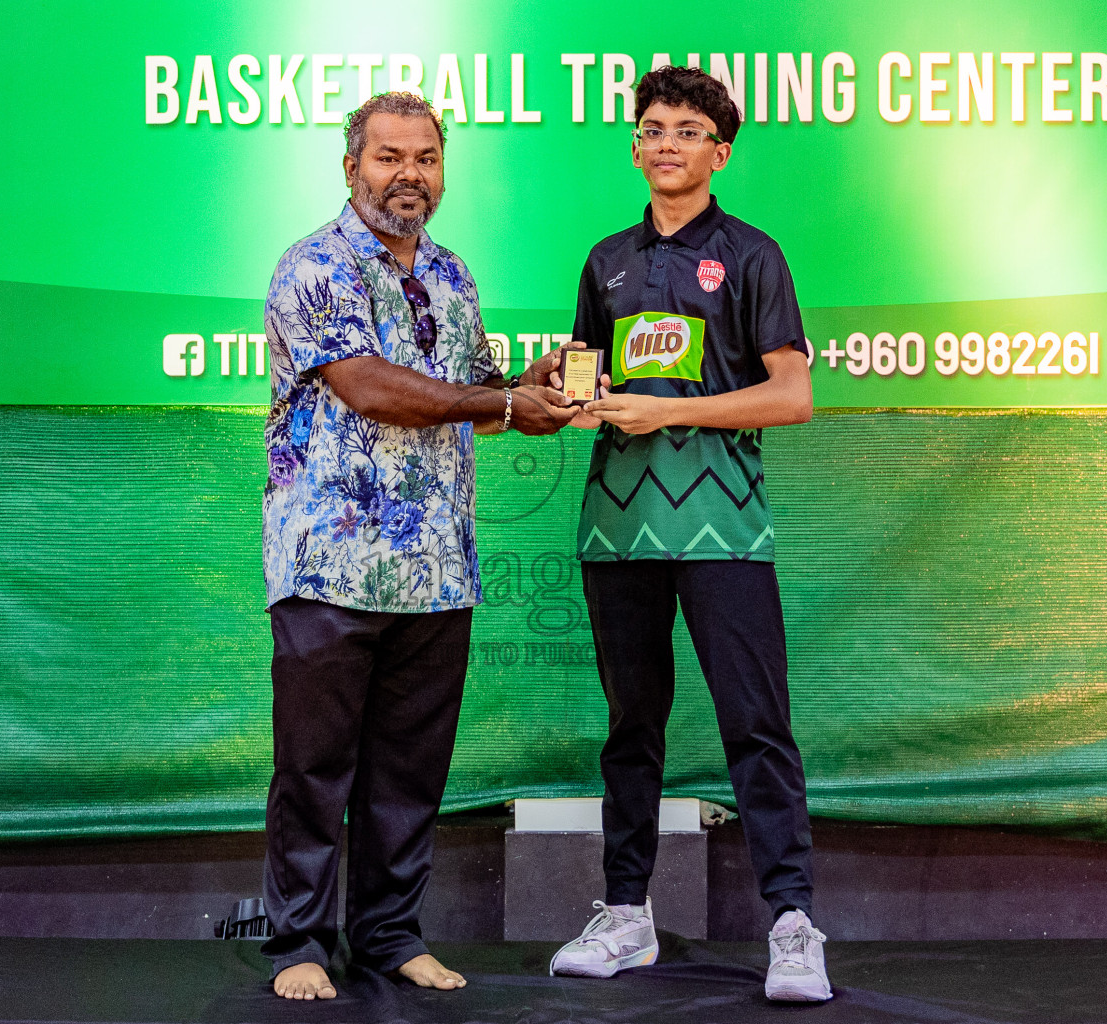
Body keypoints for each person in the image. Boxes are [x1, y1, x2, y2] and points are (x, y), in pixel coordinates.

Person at [259, 91, 576, 1000]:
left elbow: (473, 391)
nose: (409, 175)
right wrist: (499, 402)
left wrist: (532, 388)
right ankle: (300, 948)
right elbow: (371, 388)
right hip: (327, 566)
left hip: (437, 572)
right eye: (390, 157)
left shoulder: (454, 275)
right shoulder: (312, 266)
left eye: (426, 158)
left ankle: (392, 935)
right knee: (316, 772)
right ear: (352, 166)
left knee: (409, 774)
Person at [545, 67, 830, 1002]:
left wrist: (677, 414)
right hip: (619, 527)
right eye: (652, 128)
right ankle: (627, 915)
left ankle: (792, 924)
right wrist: (566, 393)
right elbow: (586, 381)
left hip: (724, 525)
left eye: (687, 131)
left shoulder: (752, 254)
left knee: (757, 725)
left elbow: (793, 396)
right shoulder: (605, 260)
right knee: (632, 727)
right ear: (634, 145)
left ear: (721, 151)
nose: (667, 143)